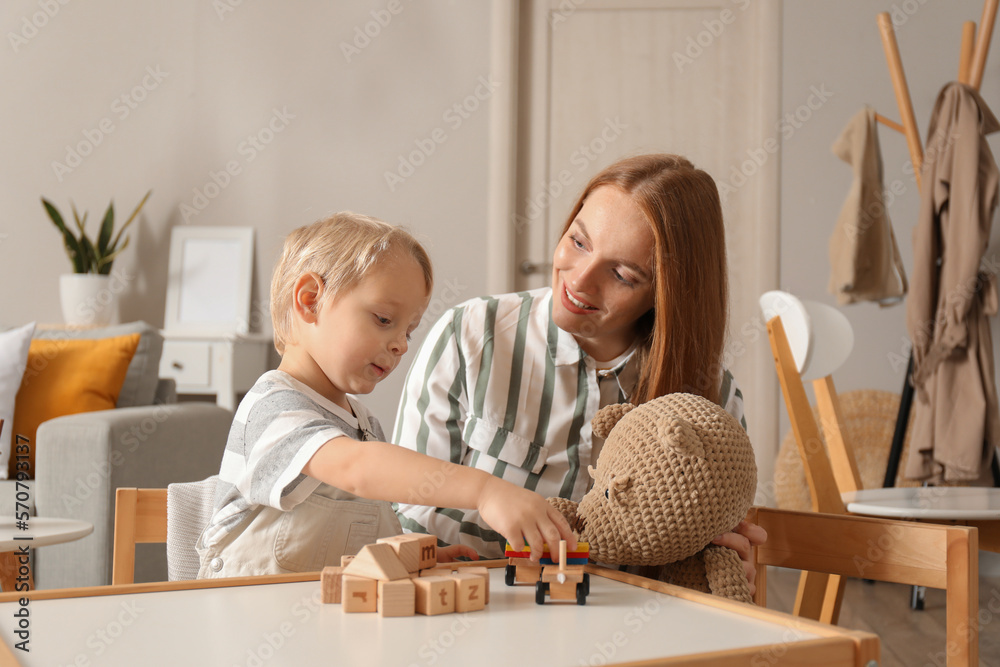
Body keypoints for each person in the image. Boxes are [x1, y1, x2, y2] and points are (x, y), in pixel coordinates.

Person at [393, 154, 766, 589]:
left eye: (623, 274)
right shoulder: (472, 335)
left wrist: (717, 562)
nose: (580, 281)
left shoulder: (709, 398)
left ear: (667, 292)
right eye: (579, 242)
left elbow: (701, 550)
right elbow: (409, 512)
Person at [197, 213, 575, 579]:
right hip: (246, 616)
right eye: (383, 320)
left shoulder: (363, 424)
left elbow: (360, 535)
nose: (400, 345)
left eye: (409, 332)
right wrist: (484, 489)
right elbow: (356, 469)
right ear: (310, 300)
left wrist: (411, 553)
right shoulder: (273, 407)